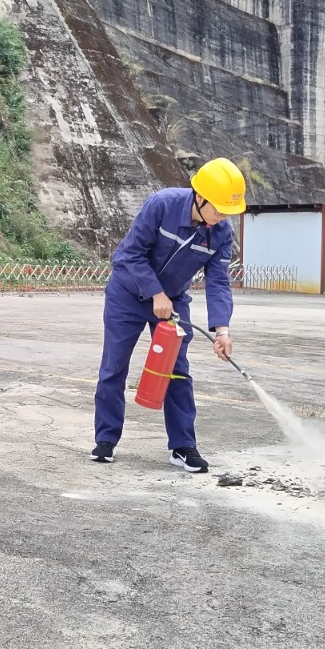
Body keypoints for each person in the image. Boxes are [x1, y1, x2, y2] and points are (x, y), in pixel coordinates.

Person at [90, 158, 245, 474]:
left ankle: (183, 446)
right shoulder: (162, 205)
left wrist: (222, 330)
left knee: (177, 370)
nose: (222, 217)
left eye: (228, 212)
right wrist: (154, 292)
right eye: (218, 209)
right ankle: (105, 440)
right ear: (200, 197)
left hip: (173, 302)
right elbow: (131, 254)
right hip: (127, 295)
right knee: (114, 366)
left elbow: (218, 282)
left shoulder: (221, 233)